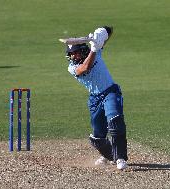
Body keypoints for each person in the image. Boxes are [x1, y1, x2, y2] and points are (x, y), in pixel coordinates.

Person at [66, 26, 128, 170]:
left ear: (82, 50)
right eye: (71, 54)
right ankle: (110, 155)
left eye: (75, 53)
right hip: (95, 99)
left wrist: (101, 34)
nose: (73, 56)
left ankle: (120, 158)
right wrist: (94, 48)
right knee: (97, 138)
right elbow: (85, 68)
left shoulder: (96, 51)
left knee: (115, 121)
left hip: (110, 92)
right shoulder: (72, 68)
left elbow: (110, 30)